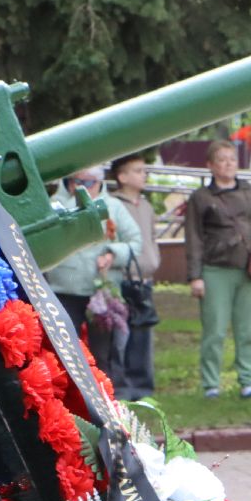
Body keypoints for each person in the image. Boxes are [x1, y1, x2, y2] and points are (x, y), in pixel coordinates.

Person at [185, 140, 251, 400]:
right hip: (215, 270)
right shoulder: (201, 197)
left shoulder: (250, 191)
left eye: (232, 159)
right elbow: (194, 237)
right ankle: (210, 385)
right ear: (210, 165)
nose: (228, 164)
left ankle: (248, 382)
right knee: (214, 330)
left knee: (247, 330)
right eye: (222, 160)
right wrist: (195, 276)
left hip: (248, 269)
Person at [44, 165, 141, 378]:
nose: (80, 188)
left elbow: (135, 242)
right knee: (65, 353)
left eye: (88, 183)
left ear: (100, 182)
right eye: (74, 182)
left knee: (102, 353)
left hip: (103, 294)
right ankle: (68, 401)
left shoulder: (114, 206)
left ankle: (107, 400)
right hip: (64, 290)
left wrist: (113, 254)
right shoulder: (52, 205)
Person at [109, 153, 161, 399]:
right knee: (121, 334)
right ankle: (122, 385)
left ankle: (142, 385)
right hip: (122, 278)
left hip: (145, 279)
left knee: (143, 333)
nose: (144, 175)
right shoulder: (114, 205)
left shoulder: (147, 206)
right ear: (122, 177)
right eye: (138, 171)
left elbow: (151, 237)